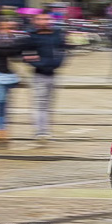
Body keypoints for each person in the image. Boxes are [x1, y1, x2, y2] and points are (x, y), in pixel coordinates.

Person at [22, 10, 67, 141]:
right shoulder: (32, 37)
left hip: (53, 74)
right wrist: (42, 64)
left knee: (49, 104)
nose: (45, 22)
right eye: (41, 19)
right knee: (40, 103)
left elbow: (63, 51)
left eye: (47, 19)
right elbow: (27, 56)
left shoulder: (57, 35)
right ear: (35, 21)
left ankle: (46, 130)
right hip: (39, 75)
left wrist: (57, 63)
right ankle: (40, 131)